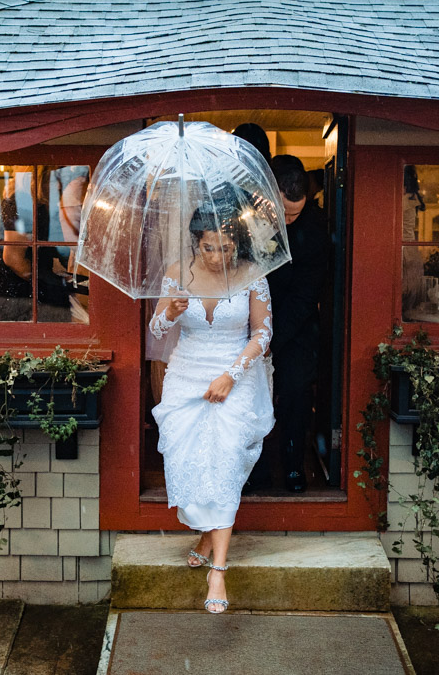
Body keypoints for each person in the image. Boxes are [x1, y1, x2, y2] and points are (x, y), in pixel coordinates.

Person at [148, 196, 275, 614]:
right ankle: (206, 536)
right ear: (195, 243)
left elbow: (261, 335)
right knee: (188, 461)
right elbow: (157, 328)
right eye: (209, 247)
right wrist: (170, 310)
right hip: (185, 375)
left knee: (223, 460)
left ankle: (218, 569)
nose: (219, 256)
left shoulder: (252, 275)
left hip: (233, 374)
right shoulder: (175, 274)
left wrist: (230, 376)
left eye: (226, 247)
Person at [263, 155, 328, 493]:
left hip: (297, 325)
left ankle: (293, 464)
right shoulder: (251, 219)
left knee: (294, 395)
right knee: (252, 398)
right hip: (251, 317)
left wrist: (272, 339)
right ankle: (255, 469)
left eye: (296, 213)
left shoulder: (315, 227)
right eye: (284, 212)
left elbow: (306, 295)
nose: (289, 219)